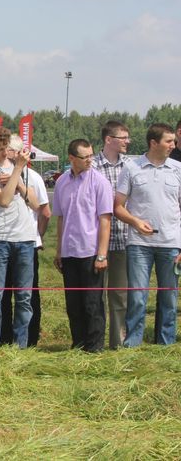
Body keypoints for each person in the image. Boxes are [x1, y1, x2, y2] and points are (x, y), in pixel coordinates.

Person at [114, 123, 181, 347]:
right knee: (137, 298)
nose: (174, 144)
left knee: (169, 298)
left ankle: (165, 345)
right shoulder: (132, 168)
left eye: (173, 141)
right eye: (169, 141)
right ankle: (132, 344)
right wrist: (135, 221)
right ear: (154, 143)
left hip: (171, 244)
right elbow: (118, 206)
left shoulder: (178, 169)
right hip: (139, 245)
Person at [0, 125, 39, 348]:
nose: (5, 152)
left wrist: (18, 178)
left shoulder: (20, 169)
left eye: (6, 147)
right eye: (0, 149)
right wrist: (16, 172)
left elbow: (34, 202)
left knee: (24, 296)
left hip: (24, 238)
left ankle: (20, 345)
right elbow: (2, 201)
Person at [52, 139, 112, 352]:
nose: (90, 160)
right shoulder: (61, 183)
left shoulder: (100, 182)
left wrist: (102, 255)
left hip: (91, 252)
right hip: (69, 252)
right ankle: (77, 345)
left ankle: (95, 348)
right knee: (73, 304)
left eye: (91, 156)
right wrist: (59, 250)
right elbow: (60, 219)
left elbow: (105, 220)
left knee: (92, 303)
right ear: (71, 159)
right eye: (84, 157)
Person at [0, 135, 50, 347]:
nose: (5, 154)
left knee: (28, 294)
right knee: (2, 294)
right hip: (1, 242)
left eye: (8, 150)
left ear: (19, 153)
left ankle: (29, 339)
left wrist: (37, 236)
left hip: (27, 244)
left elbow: (45, 212)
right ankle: (4, 338)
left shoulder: (34, 178)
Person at [92, 120, 131, 348]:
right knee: (95, 296)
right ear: (109, 140)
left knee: (119, 296)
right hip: (96, 242)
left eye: (128, 138)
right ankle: (94, 341)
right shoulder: (93, 166)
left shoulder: (131, 166)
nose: (127, 141)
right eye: (123, 137)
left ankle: (118, 343)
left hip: (124, 239)